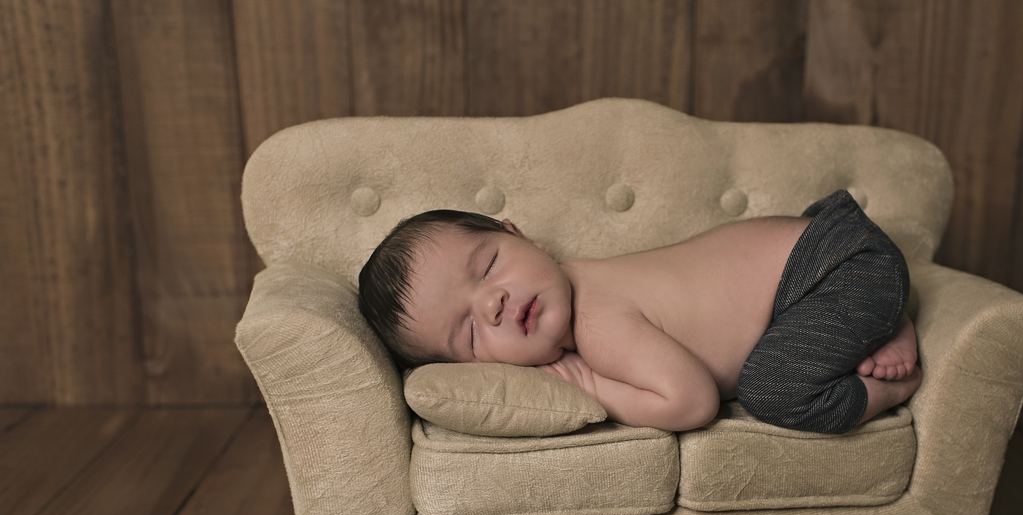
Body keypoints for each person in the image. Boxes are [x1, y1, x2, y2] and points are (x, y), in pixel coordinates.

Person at [357, 190, 921, 434]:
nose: (494, 303)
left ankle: (886, 379)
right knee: (785, 348)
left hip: (837, 266)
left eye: (488, 267)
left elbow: (693, 402)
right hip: (824, 252)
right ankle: (876, 320)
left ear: (517, 233)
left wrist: (590, 386)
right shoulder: (585, 277)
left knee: (772, 387)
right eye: (472, 332)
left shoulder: (599, 325)